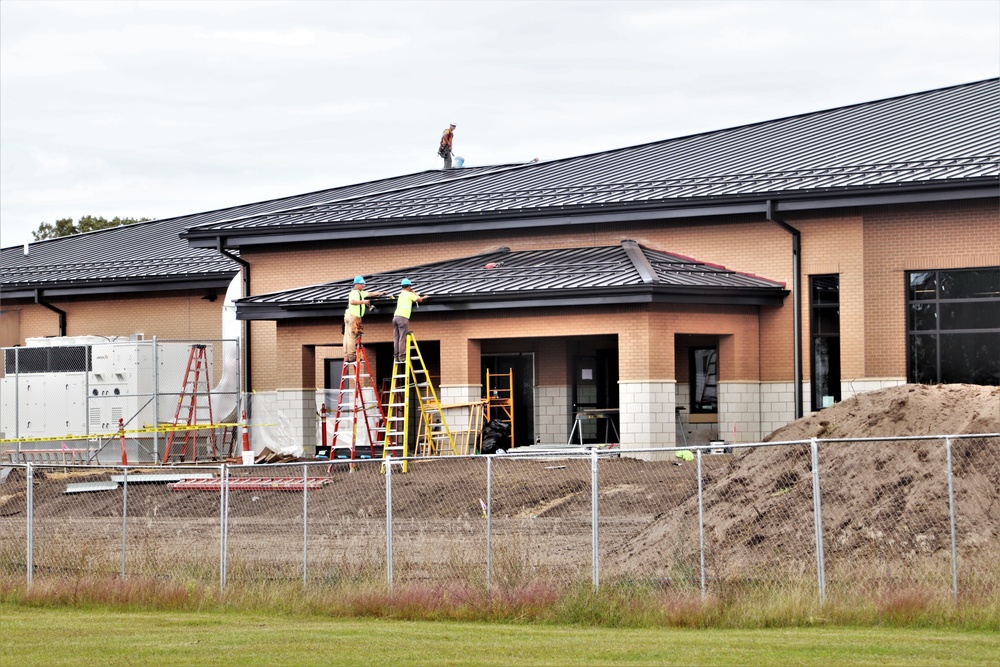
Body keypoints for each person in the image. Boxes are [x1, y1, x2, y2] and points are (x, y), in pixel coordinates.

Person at [343, 276, 384, 362]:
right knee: (352, 336)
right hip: (353, 316)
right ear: (356, 284)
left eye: (364, 284)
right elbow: (352, 301)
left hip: (351, 316)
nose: (363, 286)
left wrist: (380, 293)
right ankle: (352, 356)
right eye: (362, 284)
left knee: (347, 336)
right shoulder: (354, 292)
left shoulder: (360, 293)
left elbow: (369, 293)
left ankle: (347, 356)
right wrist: (363, 302)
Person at [392, 278, 427, 362]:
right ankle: (401, 356)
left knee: (396, 337)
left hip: (395, 317)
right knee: (402, 337)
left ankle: (396, 356)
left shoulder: (401, 294)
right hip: (403, 317)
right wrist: (415, 292)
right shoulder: (409, 294)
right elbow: (419, 300)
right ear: (409, 286)